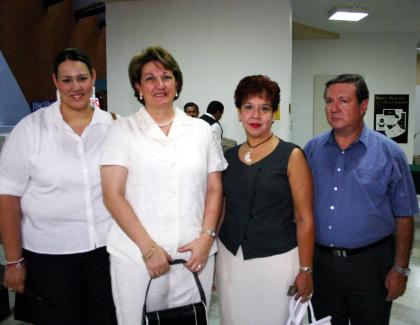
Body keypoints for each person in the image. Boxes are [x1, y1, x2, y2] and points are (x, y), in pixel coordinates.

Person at [99, 46, 227, 325]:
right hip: (136, 257)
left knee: (194, 319)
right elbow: (112, 195)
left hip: (195, 255)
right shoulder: (122, 130)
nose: (160, 85)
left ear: (177, 83)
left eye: (166, 77)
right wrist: (148, 248)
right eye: (150, 78)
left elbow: (214, 189)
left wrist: (207, 238)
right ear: (138, 86)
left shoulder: (201, 131)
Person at [0, 48, 116, 324]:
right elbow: (8, 198)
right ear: (55, 81)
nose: (76, 87)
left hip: (105, 253)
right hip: (49, 258)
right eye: (67, 80)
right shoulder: (30, 130)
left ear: (93, 78)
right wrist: (13, 261)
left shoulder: (113, 125)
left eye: (82, 78)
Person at [304, 74, 418, 325]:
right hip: (321, 264)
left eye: (343, 101)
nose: (334, 108)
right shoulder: (311, 151)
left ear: (363, 105)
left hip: (371, 266)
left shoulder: (390, 153)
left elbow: (404, 216)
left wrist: (400, 269)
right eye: (329, 101)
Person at [216, 75, 315, 325]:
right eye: (248, 107)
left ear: (274, 114)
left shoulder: (291, 155)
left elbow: (305, 218)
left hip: (277, 261)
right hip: (231, 259)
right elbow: (222, 210)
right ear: (238, 112)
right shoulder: (227, 157)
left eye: (265, 108)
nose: (256, 116)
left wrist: (306, 270)